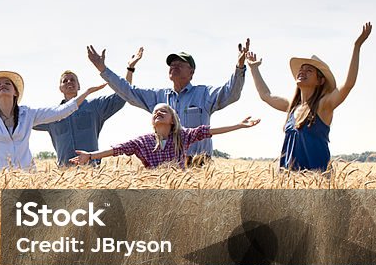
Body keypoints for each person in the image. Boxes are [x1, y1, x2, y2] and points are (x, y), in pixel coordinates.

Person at [86, 40, 251, 163]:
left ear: (191, 72)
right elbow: (128, 91)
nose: (174, 66)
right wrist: (103, 69)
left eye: (180, 64)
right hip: (165, 166)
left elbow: (231, 93)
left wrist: (239, 67)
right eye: (171, 64)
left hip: (198, 165)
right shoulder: (158, 97)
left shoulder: (204, 94)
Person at [247, 23, 372, 172]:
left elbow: (348, 85)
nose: (302, 72)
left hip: (316, 184)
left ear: (320, 81)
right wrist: (254, 68)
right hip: (288, 183)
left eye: (309, 70)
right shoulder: (292, 107)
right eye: (301, 69)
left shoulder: (323, 105)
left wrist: (357, 46)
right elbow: (266, 96)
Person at [34, 49, 144, 166]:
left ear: (79, 86)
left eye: (72, 80)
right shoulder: (52, 114)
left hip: (92, 169)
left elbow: (123, 95)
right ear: (60, 88)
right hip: (64, 174)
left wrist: (130, 69)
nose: (69, 82)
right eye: (64, 81)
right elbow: (26, 120)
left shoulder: (95, 106)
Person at [71, 104, 260, 169]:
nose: (158, 113)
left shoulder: (183, 136)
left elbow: (208, 131)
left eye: (163, 111)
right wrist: (90, 155)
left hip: (180, 191)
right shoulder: (142, 142)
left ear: (172, 120)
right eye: (155, 112)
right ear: (152, 121)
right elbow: (116, 150)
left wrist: (238, 125)